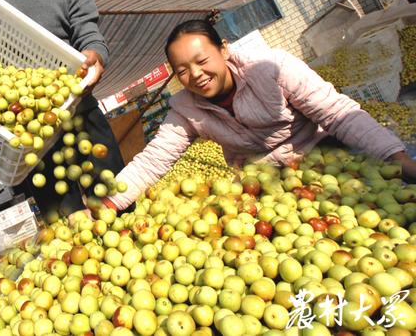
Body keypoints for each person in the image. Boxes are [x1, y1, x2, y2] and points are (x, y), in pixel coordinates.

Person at [103, 19, 416, 211]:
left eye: (202, 60)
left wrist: (396, 157)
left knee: (377, 198)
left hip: (321, 153)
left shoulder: (270, 68)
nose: (195, 75)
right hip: (263, 182)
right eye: (182, 71)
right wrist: (105, 205)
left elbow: (337, 113)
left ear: (223, 50)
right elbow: (152, 161)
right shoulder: (186, 109)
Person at [0, 0, 124, 217]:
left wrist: (94, 56)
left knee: (116, 207)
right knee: (67, 224)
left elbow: (90, 34)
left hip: (81, 116)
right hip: (33, 137)